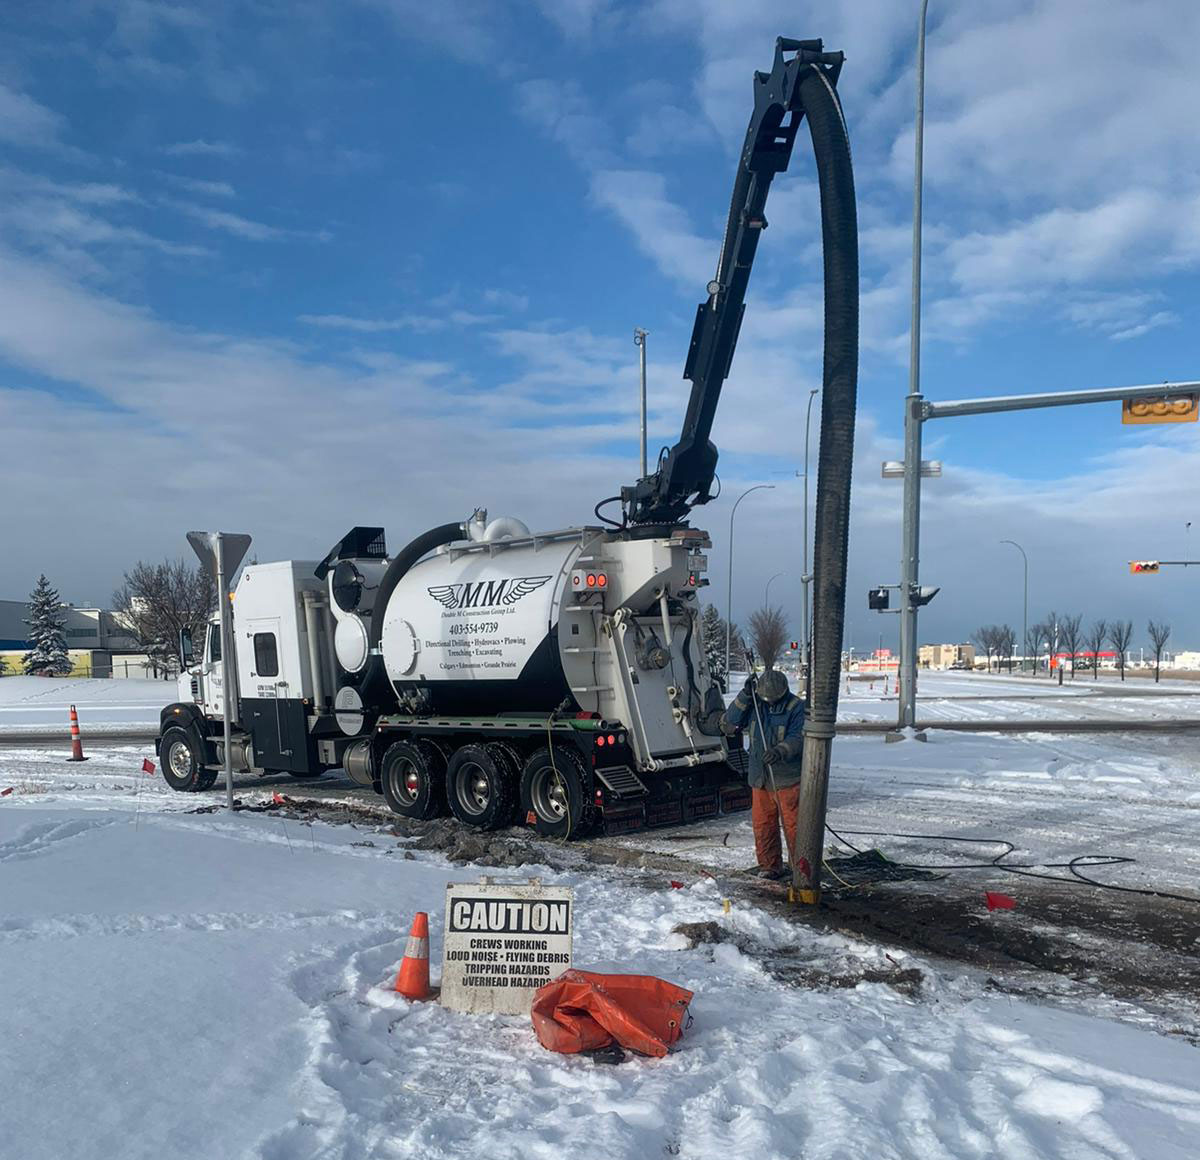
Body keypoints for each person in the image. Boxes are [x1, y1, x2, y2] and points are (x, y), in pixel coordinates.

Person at [721, 668, 806, 880]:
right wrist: (745, 695)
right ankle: (770, 866)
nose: (768, 703)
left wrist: (781, 750)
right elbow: (730, 722)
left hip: (787, 779)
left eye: (772, 699)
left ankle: (801, 869)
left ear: (784, 692)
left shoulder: (797, 708)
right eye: (764, 698)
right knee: (763, 825)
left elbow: (800, 737)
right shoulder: (756, 704)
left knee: (794, 827)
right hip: (760, 778)